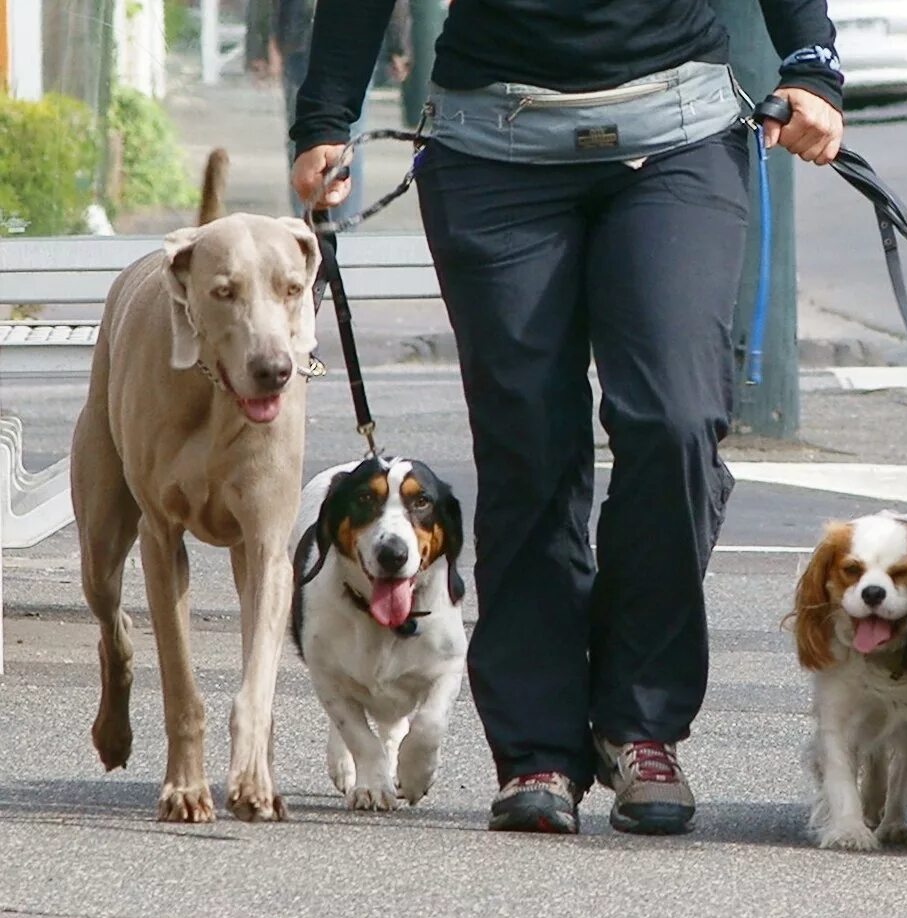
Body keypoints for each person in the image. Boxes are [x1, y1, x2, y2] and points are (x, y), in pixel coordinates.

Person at [289, 1, 844, 836]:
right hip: (490, 149)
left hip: (678, 138)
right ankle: (536, 746)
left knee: (675, 419)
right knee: (528, 445)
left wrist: (810, 64)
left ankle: (638, 725)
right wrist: (327, 116)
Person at [247, 0, 411, 221]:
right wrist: (260, 45)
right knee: (307, 137)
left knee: (343, 137)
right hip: (299, 41)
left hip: (348, 42)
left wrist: (399, 45)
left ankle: (340, 222)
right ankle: (310, 220)